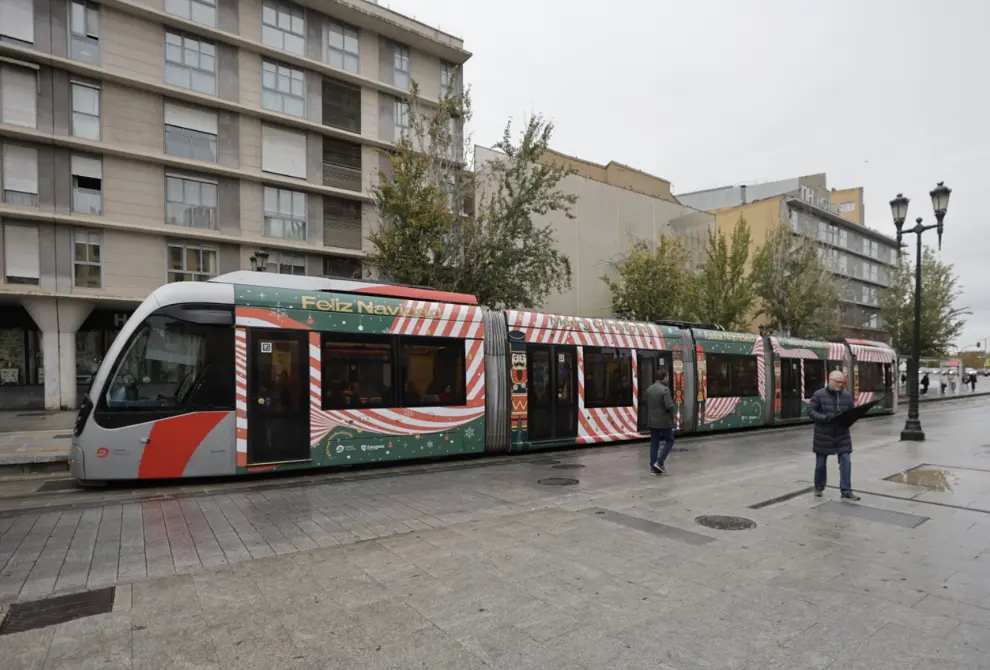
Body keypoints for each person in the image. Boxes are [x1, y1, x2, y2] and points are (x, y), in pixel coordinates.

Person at [808, 370, 861, 501]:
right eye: (838, 382)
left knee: (846, 462)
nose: (840, 385)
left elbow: (851, 412)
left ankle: (846, 491)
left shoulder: (847, 396)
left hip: (842, 434)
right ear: (830, 380)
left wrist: (851, 417)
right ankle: (819, 487)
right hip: (823, 435)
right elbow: (810, 411)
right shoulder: (819, 394)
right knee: (820, 464)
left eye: (843, 383)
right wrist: (825, 418)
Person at [646, 370, 676, 475]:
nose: (668, 379)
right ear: (664, 378)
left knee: (654, 444)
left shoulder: (649, 389)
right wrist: (674, 416)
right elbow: (669, 406)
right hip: (664, 422)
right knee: (670, 440)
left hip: (652, 421)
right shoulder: (665, 390)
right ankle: (659, 462)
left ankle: (652, 468)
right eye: (667, 377)